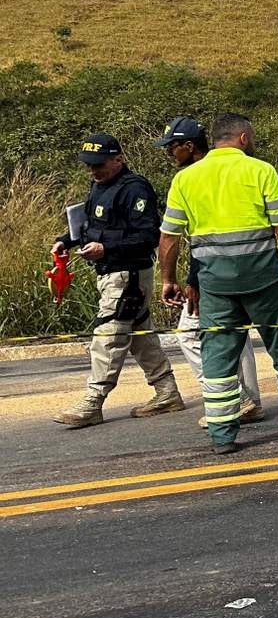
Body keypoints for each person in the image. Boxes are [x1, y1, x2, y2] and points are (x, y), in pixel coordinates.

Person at [158, 113, 278, 455]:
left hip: (214, 284)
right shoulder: (260, 170)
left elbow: (169, 236)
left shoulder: (186, 179)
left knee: (218, 353)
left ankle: (222, 434)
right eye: (250, 137)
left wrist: (168, 279)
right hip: (264, 279)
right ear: (242, 139)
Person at [54, 134, 184, 428]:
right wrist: (65, 242)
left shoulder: (135, 189)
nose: (93, 171)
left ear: (118, 159)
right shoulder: (98, 187)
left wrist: (107, 249)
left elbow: (150, 236)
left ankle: (93, 401)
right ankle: (167, 392)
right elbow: (88, 226)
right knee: (140, 335)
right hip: (109, 273)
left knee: (108, 336)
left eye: (99, 165)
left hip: (128, 275)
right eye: (89, 166)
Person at [155, 117, 263, 425]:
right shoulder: (238, 168)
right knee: (236, 330)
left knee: (190, 333)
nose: (169, 154)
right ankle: (249, 400)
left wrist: (186, 279)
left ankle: (231, 398)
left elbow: (181, 235)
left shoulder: (191, 177)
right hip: (248, 262)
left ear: (189, 147)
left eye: (172, 148)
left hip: (212, 270)